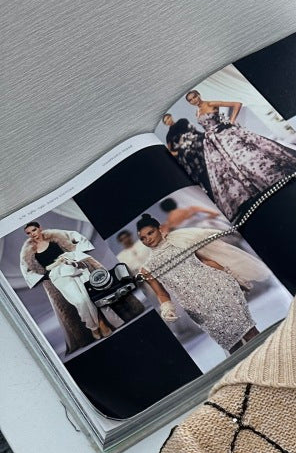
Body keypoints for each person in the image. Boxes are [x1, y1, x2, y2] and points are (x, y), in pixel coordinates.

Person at [134, 214, 260, 353]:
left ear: (159, 228)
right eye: (143, 238)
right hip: (197, 308)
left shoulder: (180, 243)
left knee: (249, 332)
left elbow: (205, 261)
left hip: (219, 289)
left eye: (150, 233)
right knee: (232, 344)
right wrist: (167, 309)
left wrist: (234, 277)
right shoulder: (147, 269)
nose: (148, 239)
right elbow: (161, 293)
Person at [184, 90, 296, 220]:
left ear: (199, 95)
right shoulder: (197, 112)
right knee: (227, 167)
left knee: (244, 156)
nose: (194, 100)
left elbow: (237, 104)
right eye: (191, 100)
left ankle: (266, 179)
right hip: (213, 142)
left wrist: (231, 121)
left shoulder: (211, 103)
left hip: (225, 135)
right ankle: (249, 191)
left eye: (195, 97)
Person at [19, 222, 140, 352]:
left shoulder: (54, 236)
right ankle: (93, 326)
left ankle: (100, 325)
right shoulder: (29, 251)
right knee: (80, 301)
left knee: (90, 297)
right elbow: (32, 270)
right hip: (58, 276)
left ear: (39, 228)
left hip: (74, 267)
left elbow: (75, 238)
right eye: (29, 233)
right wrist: (52, 267)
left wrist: (73, 256)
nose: (33, 234)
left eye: (34, 230)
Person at [161, 112, 213, 198]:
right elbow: (171, 151)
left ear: (171, 117)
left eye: (168, 118)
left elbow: (194, 131)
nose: (168, 121)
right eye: (166, 121)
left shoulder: (182, 121)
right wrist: (180, 152)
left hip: (196, 145)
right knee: (200, 175)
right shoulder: (169, 136)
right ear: (165, 124)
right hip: (187, 157)